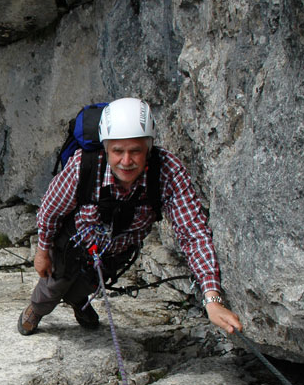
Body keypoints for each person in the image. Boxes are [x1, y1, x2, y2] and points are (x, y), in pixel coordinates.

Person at [18, 97, 242, 336]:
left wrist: (212, 299)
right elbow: (51, 210)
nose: (126, 161)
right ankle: (37, 309)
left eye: (135, 151)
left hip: (115, 250)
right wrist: (43, 251)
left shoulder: (167, 172)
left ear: (149, 147)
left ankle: (79, 302)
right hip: (74, 242)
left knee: (92, 282)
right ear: (106, 148)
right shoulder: (82, 167)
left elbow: (193, 233)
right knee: (54, 285)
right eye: (118, 151)